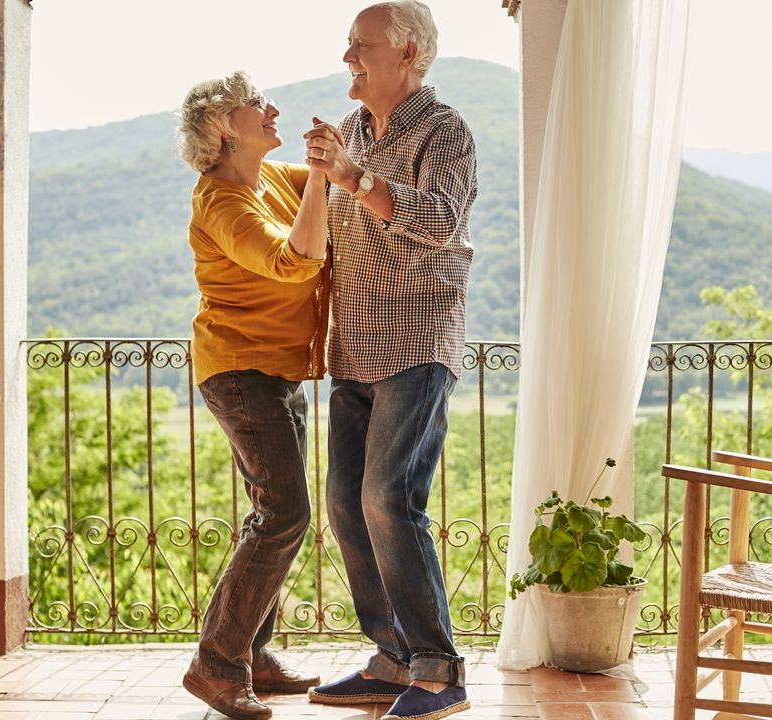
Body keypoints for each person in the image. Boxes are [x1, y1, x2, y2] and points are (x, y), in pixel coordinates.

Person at [301, 2, 476, 719]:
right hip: (355, 344)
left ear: (406, 53)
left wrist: (354, 177)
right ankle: (390, 657)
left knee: (387, 499)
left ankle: (439, 671)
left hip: (415, 340)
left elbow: (441, 220)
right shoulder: (349, 132)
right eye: (347, 44)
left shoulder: (446, 130)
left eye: (361, 45)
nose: (348, 56)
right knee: (346, 503)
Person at [174, 70, 339, 720]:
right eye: (253, 105)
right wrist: (326, 178)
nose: (271, 108)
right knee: (283, 513)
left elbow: (340, 200)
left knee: (279, 514)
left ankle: (252, 655)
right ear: (222, 129)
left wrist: (338, 161)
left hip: (279, 370)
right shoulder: (221, 202)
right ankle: (216, 666)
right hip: (239, 371)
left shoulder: (269, 178)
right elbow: (295, 258)